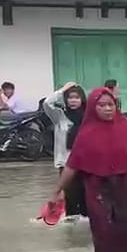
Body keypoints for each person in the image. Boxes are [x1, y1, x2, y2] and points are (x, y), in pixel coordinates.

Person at [52, 87, 127, 252]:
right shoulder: (85, 135)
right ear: (93, 108)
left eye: (111, 105)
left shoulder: (126, 127)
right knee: (103, 229)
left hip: (125, 187)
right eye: (102, 105)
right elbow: (72, 166)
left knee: (126, 229)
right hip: (97, 188)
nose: (107, 109)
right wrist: (57, 191)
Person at [44, 81, 88, 217]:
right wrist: (63, 89)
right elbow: (47, 103)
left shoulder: (88, 117)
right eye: (70, 97)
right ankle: (72, 222)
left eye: (76, 97)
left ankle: (86, 223)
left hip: (86, 162)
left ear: (82, 99)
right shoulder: (59, 116)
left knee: (87, 195)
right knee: (70, 195)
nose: (73, 101)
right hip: (66, 162)